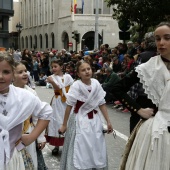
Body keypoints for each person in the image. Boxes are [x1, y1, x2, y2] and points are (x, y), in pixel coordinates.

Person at [112, 22, 170, 170]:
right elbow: (117, 88)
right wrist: (138, 110)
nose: (161, 43)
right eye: (158, 39)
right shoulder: (147, 67)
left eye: (167, 38)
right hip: (154, 133)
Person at [0, 51, 52, 169]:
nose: (1, 76)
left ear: (12, 74)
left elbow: (46, 112)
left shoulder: (23, 96)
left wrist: (32, 136)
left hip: (12, 158)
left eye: (6, 72)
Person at [59, 61, 113, 170]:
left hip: (94, 121)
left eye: (88, 69)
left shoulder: (96, 83)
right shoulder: (76, 85)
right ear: (78, 74)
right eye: (83, 70)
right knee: (79, 146)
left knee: (95, 145)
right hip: (79, 119)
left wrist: (108, 121)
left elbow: (101, 103)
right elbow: (69, 106)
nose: (87, 71)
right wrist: (64, 124)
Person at [13, 61, 48, 169]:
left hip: (28, 135)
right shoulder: (7, 93)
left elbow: (38, 117)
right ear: (11, 75)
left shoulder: (31, 93)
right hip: (12, 139)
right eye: (20, 72)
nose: (25, 74)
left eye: (25, 71)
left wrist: (40, 138)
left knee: (30, 163)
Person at [45, 59, 74, 155]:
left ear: (61, 67)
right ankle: (56, 145)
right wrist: (53, 82)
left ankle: (68, 143)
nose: (53, 68)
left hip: (67, 101)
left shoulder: (68, 77)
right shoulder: (51, 77)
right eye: (52, 67)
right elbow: (58, 88)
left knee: (67, 120)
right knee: (57, 121)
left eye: (55, 66)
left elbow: (71, 88)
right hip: (57, 101)